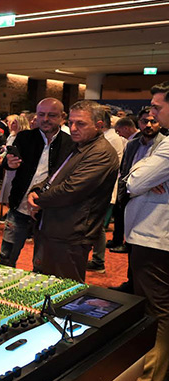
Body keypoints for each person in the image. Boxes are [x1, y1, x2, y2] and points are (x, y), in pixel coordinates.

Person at [27, 100, 119, 282]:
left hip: (72, 232)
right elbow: (55, 175)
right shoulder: (79, 144)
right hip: (55, 226)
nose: (74, 128)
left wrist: (39, 199)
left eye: (81, 124)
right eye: (71, 123)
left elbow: (71, 189)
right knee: (45, 281)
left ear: (99, 125)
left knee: (64, 288)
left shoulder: (101, 152)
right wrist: (36, 189)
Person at [125, 80, 169, 381]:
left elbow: (132, 181)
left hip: (156, 239)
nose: (151, 113)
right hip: (154, 236)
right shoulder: (162, 143)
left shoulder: (167, 147)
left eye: (157, 106)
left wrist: (142, 175)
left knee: (158, 312)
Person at [0, 98, 73, 268]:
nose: (45, 119)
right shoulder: (24, 137)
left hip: (49, 211)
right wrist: (8, 163)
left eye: (51, 115)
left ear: (62, 117)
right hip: (19, 206)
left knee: (42, 262)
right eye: (41, 114)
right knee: (6, 258)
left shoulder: (69, 143)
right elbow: (7, 162)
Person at [110, 109, 164, 255]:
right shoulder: (131, 144)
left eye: (153, 121)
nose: (148, 125)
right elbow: (124, 170)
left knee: (144, 244)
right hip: (129, 191)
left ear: (160, 123)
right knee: (127, 228)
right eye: (144, 121)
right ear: (138, 123)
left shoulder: (164, 144)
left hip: (153, 196)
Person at [86, 111, 126, 273]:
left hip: (104, 189)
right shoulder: (107, 137)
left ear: (100, 123)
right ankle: (97, 259)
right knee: (96, 225)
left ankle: (98, 260)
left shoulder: (109, 139)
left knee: (98, 226)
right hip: (100, 189)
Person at [0, 114, 31, 224]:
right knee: (7, 192)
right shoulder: (11, 135)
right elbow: (7, 150)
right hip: (9, 167)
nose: (11, 124)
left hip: (17, 168)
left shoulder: (25, 137)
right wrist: (1, 157)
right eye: (11, 122)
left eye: (14, 123)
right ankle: (9, 213)